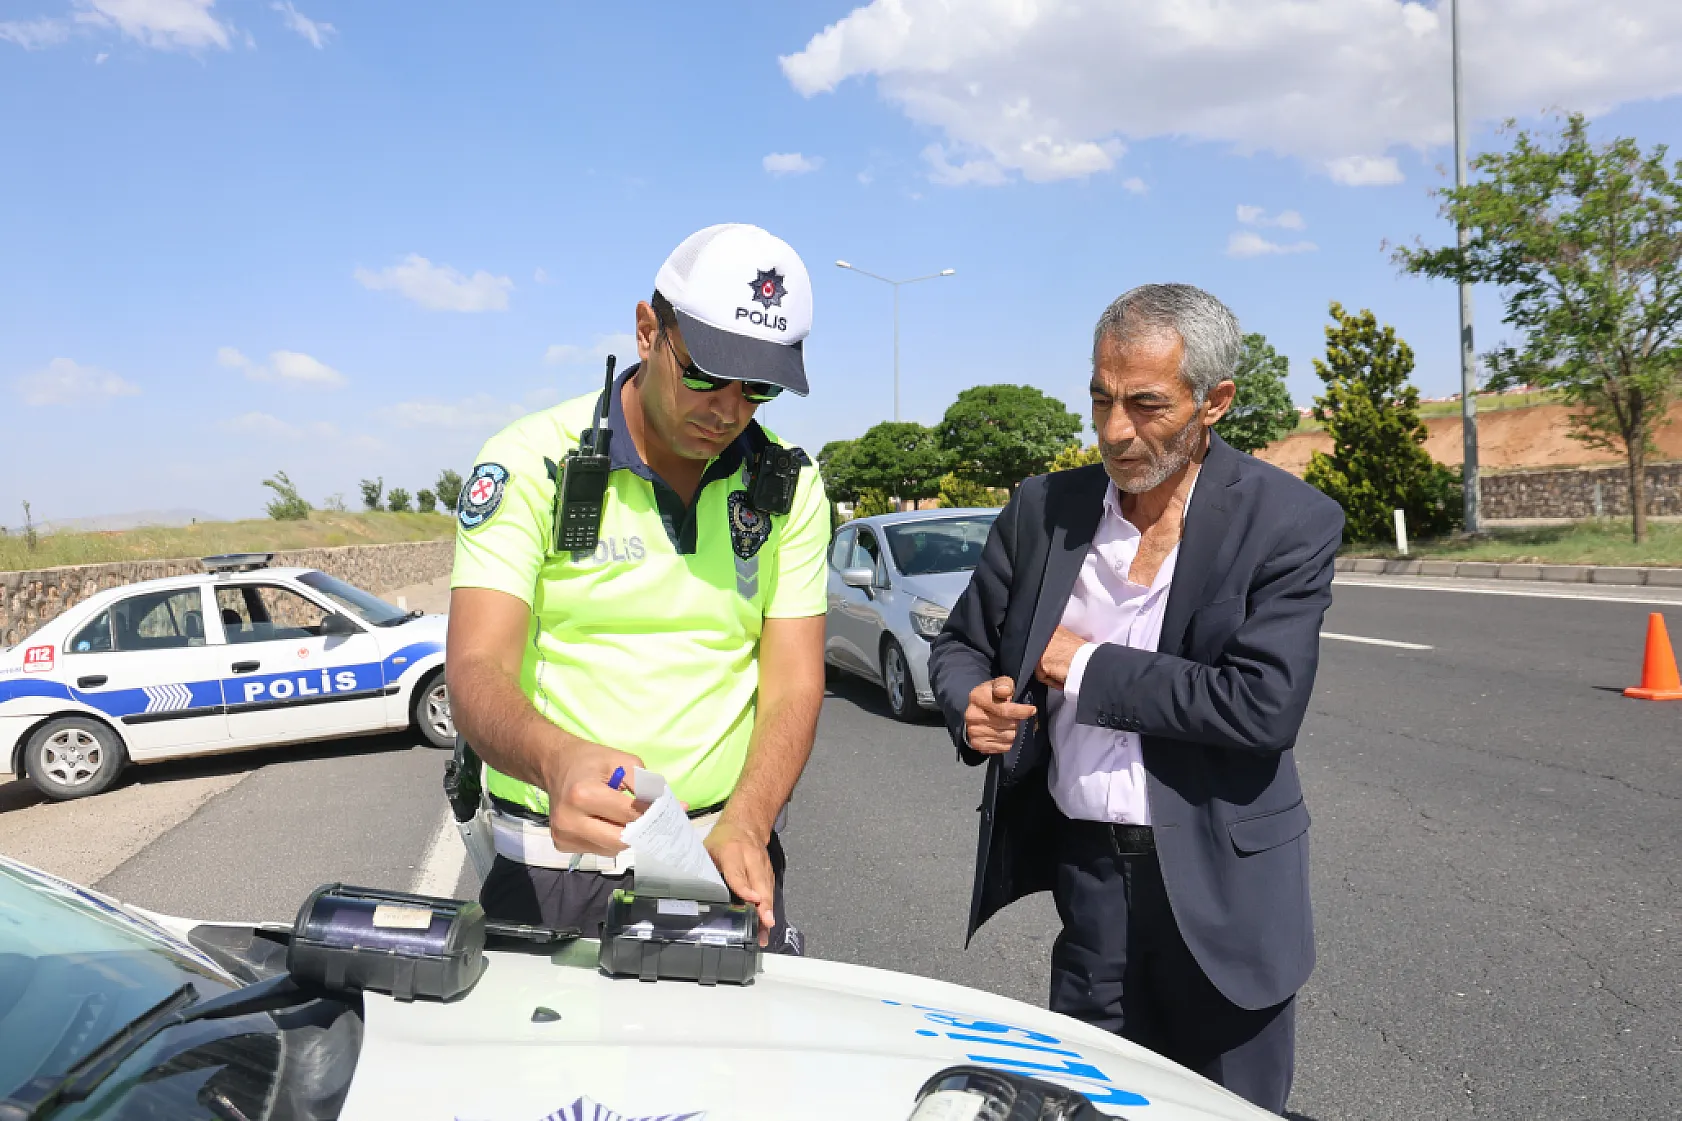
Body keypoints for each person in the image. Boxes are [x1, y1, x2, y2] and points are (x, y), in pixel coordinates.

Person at [927, 284, 1343, 1113]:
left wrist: (1081, 665)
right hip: (1091, 880)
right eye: (1100, 398)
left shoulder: (1288, 521)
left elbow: (1261, 705)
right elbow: (963, 642)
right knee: (1087, 1100)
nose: (1116, 429)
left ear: (1214, 401)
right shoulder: (1044, 510)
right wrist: (970, 700)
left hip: (1226, 893)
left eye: (1146, 404)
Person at [445, 223, 829, 952]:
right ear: (649, 331)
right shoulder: (531, 464)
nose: (728, 408)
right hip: (556, 863)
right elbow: (474, 669)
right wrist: (555, 759)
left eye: (759, 387)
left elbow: (793, 685)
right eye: (707, 372)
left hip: (722, 854)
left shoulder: (792, 486)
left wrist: (751, 815)